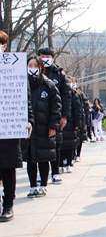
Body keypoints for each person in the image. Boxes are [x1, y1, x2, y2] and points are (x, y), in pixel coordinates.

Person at [0, 31, 34, 221]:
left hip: (8, 125)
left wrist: (28, 119)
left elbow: (25, 97)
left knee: (7, 166)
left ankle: (8, 204)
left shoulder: (14, 67)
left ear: (4, 46)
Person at [23, 56, 62, 198]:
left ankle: (43, 185)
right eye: (30, 65)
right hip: (29, 128)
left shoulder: (49, 85)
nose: (32, 68)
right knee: (31, 158)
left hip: (44, 127)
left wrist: (53, 125)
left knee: (44, 157)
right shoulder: (22, 83)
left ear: (41, 67)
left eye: (35, 65)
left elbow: (56, 107)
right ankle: (33, 185)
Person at [38, 47, 71, 184]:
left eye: (48, 56)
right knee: (39, 145)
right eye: (42, 56)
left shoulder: (59, 74)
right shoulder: (34, 73)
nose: (45, 59)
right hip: (39, 115)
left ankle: (55, 171)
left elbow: (66, 95)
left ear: (53, 58)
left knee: (55, 144)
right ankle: (41, 173)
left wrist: (65, 116)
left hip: (55, 114)